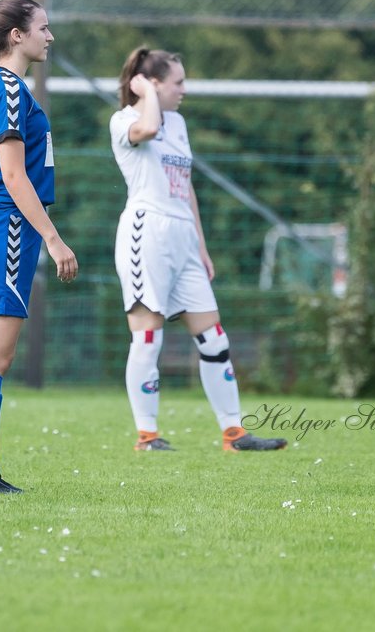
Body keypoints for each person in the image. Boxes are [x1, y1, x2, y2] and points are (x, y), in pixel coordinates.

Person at [109, 47, 286, 453]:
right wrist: (146, 96)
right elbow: (149, 129)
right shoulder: (126, 119)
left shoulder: (179, 123)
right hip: (146, 234)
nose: (184, 89)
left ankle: (234, 434)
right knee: (148, 338)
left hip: (183, 239)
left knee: (213, 338)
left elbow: (184, 185)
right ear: (152, 85)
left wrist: (201, 248)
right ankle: (147, 436)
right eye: (178, 82)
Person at [0, 0, 79, 494]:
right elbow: (11, 174)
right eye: (43, 28)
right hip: (4, 224)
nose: (49, 37)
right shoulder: (7, 86)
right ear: (16, 36)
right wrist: (53, 238)